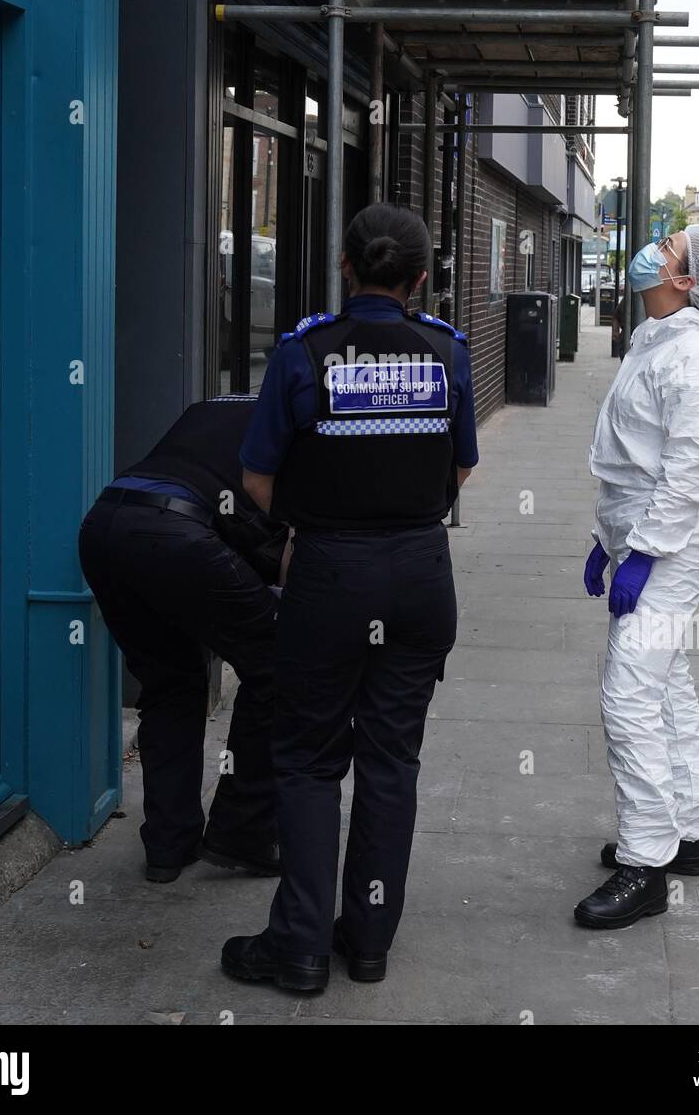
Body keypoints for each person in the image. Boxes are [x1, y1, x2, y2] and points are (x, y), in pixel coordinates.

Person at [221, 204, 479, 993]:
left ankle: (298, 948)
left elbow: (256, 480)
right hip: (420, 574)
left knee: (305, 760)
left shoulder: (304, 353)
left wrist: (309, 525)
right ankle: (367, 942)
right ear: (421, 279)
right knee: (392, 759)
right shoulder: (448, 352)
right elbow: (460, 470)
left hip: (329, 574)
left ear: (344, 266)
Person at [577, 228, 699, 929]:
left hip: (670, 544)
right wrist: (605, 538)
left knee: (628, 695)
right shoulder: (657, 335)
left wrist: (644, 553)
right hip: (638, 531)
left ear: (684, 281)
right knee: (667, 682)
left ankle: (645, 864)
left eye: (666, 247)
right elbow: (629, 452)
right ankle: (685, 830)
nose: (652, 249)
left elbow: (689, 472)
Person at [79, 397, 289, 883]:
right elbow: (289, 542)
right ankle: (243, 831)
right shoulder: (300, 424)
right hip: (178, 530)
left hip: (105, 523)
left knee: (170, 683)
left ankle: (168, 846)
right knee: (279, 664)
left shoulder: (216, 407)